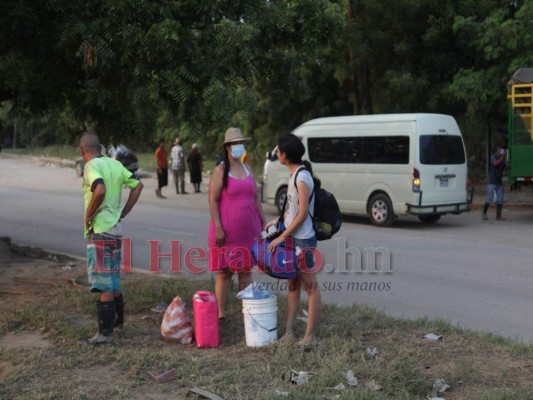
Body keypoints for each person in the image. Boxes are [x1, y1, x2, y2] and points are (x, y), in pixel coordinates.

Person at [79, 133, 143, 344]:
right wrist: (124, 211)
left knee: (104, 283)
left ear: (82, 151)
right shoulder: (115, 165)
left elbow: (100, 189)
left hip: (100, 231)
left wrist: (89, 214)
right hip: (116, 231)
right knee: (113, 281)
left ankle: (104, 335)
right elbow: (138, 186)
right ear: (100, 148)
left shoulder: (90, 167)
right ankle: (118, 325)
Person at [265, 133, 320, 348]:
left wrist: (281, 237)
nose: (276, 153)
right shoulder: (294, 174)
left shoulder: (302, 177)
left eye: (278, 150)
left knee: (311, 287)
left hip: (303, 241)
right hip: (292, 239)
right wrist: (276, 221)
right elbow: (292, 209)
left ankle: (310, 337)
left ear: (285, 155)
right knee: (292, 285)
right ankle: (288, 333)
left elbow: (303, 213)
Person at [208, 127, 266, 319]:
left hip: (249, 231)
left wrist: (264, 222)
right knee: (225, 273)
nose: (238, 146)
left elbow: (256, 198)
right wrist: (218, 227)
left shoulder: (247, 168)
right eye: (234, 143)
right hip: (226, 232)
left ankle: (249, 313)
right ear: (227, 147)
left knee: (245, 271)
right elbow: (213, 200)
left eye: (241, 143)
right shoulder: (220, 171)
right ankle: (219, 314)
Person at [482, 145, 507, 221]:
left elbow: (504, 169)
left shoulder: (503, 161)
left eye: (503, 150)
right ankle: (484, 213)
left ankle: (498, 216)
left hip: (499, 182)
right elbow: (495, 163)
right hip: (492, 181)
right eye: (501, 150)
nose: (502, 152)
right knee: (490, 198)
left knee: (500, 199)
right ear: (497, 150)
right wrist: (503, 156)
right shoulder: (494, 157)